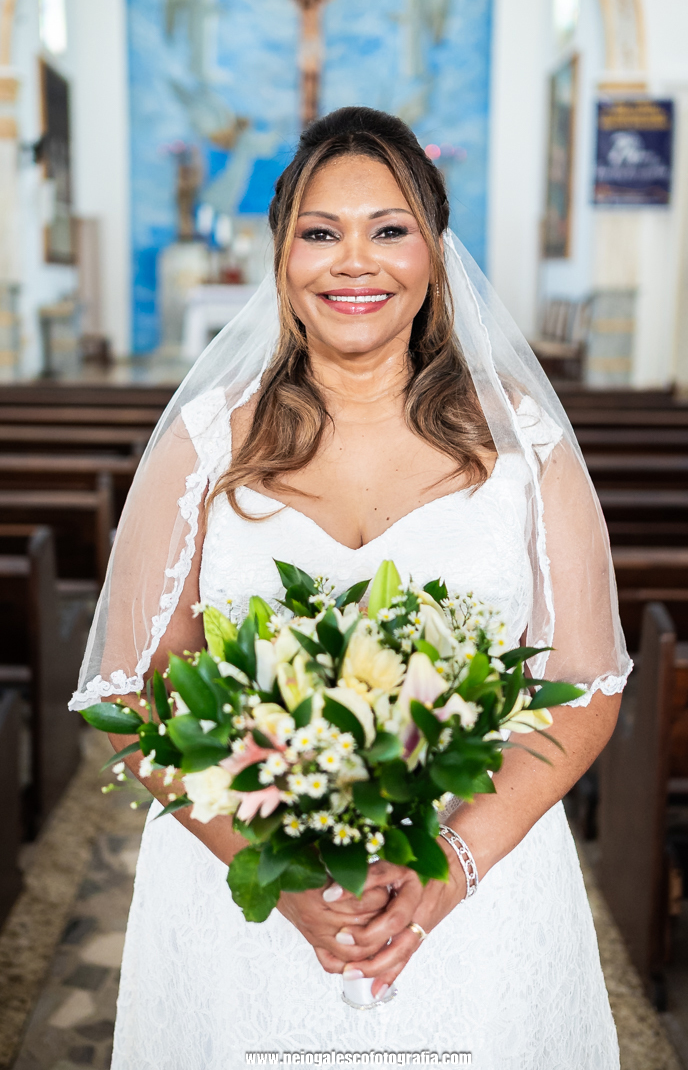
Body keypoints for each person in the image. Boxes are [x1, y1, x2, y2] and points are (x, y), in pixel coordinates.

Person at [71, 106, 632, 1069]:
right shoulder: (204, 446)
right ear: (282, 257)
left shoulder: (525, 449)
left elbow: (584, 689)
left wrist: (448, 868)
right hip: (246, 899)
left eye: (389, 229)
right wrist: (271, 869)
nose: (354, 263)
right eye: (321, 233)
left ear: (434, 252)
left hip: (477, 885)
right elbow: (131, 693)